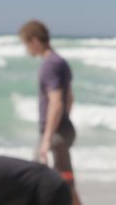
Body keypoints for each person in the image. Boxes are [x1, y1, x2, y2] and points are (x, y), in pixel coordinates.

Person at [18, 20, 81, 205]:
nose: (26, 49)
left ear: (35, 40)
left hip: (54, 133)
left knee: (35, 178)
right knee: (66, 180)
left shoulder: (49, 65)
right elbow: (70, 99)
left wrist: (47, 136)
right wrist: (63, 122)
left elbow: (57, 102)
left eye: (26, 43)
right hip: (64, 129)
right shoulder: (60, 61)